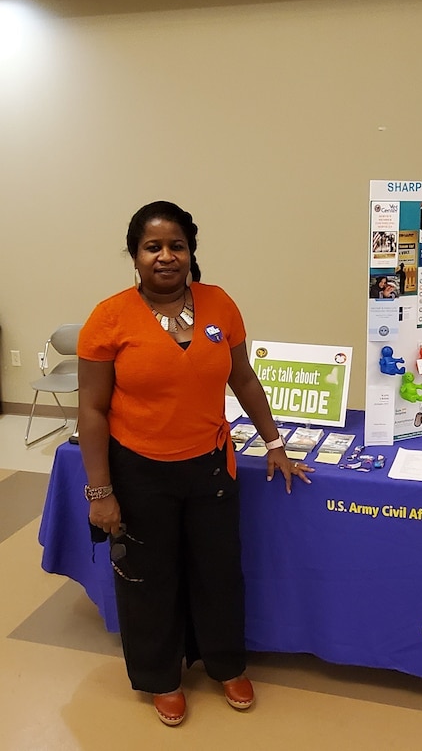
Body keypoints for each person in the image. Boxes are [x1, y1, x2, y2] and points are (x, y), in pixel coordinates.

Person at [77, 200, 313, 727]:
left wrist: (275, 443)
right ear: (135, 256)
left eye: (176, 246)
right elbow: (91, 409)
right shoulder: (109, 317)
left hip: (210, 467)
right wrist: (101, 492)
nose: (166, 256)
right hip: (138, 470)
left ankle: (226, 665)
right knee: (149, 577)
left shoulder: (219, 304)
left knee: (218, 572)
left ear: (191, 251)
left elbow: (244, 377)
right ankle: (162, 677)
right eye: (152, 247)